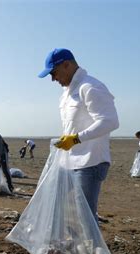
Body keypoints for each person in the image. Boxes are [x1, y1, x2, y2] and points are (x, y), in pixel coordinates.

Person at [38, 48, 119, 223]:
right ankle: (55, 244)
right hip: (67, 160)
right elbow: (71, 125)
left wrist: (76, 138)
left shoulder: (90, 87)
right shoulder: (66, 95)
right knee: (52, 200)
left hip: (90, 162)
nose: (53, 79)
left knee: (85, 215)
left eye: (54, 73)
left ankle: (91, 249)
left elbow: (110, 121)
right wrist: (66, 140)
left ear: (66, 65)